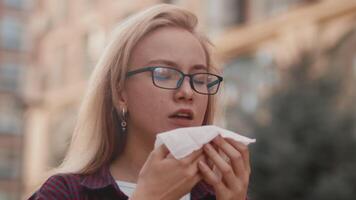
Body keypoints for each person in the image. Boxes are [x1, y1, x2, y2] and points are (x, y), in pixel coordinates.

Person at [28, 4, 251, 200]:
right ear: (120, 93)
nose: (187, 92)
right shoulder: (65, 193)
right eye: (164, 74)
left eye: (200, 79)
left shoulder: (221, 194)